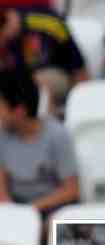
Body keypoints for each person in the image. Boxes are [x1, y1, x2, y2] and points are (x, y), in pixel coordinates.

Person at [0, 70, 78, 224]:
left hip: (49, 208)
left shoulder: (58, 136)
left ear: (19, 111)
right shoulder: (2, 134)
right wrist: (10, 209)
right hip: (15, 206)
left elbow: (71, 190)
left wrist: (30, 210)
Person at [0, 7, 88, 115]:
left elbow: (79, 69)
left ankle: (46, 127)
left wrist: (83, 104)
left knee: (36, 82)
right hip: (21, 81)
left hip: (58, 76)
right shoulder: (7, 40)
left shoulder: (49, 24)